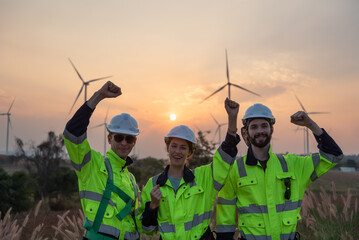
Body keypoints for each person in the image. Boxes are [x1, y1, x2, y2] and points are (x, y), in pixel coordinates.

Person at [216, 103, 343, 240]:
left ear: (271, 129)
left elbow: (334, 155)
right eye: (254, 127)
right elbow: (225, 222)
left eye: (264, 126)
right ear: (246, 132)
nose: (260, 131)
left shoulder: (294, 165)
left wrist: (310, 125)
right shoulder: (234, 170)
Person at [138, 98, 241, 240]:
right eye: (174, 146)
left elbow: (224, 158)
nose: (177, 151)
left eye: (183, 147)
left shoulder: (203, 177)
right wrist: (153, 206)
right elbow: (146, 229)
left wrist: (232, 120)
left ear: (190, 153)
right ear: (168, 148)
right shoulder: (153, 184)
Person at [63, 81, 140, 240]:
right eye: (119, 137)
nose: (124, 143)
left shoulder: (132, 181)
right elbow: (72, 132)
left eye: (129, 138)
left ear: (134, 142)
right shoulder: (91, 164)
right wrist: (99, 96)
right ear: (109, 138)